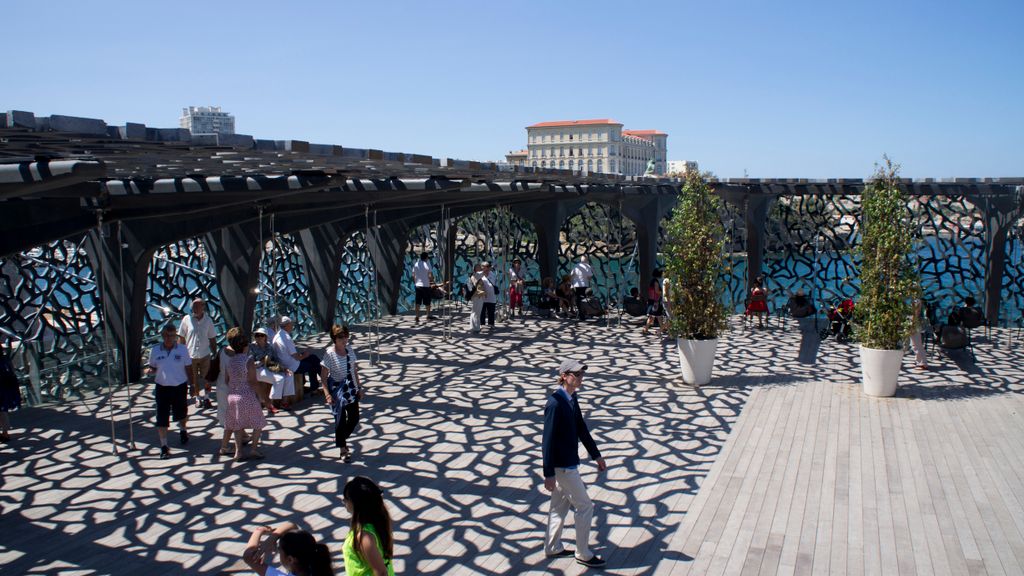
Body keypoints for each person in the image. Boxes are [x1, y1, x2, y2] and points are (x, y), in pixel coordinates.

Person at [542, 358, 608, 568]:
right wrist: (548, 473)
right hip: (563, 466)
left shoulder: (571, 398)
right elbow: (547, 440)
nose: (581, 378)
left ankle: (552, 547)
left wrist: (595, 454)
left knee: (558, 507)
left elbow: (581, 427)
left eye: (582, 374)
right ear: (564, 376)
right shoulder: (555, 403)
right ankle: (583, 553)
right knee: (585, 506)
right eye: (577, 374)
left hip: (569, 461)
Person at [145, 322, 193, 459]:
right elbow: (152, 367)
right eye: (166, 335)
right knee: (161, 417)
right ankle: (164, 446)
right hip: (162, 387)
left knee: (181, 413)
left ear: (175, 336)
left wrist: (193, 385)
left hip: (179, 386)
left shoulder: (182, 349)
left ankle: (183, 430)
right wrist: (149, 371)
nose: (169, 338)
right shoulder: (155, 350)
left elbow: (189, 368)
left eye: (172, 335)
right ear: (162, 335)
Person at [320, 325, 364, 462]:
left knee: (354, 418)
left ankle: (340, 438)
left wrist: (359, 387)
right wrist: (327, 394)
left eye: (345, 336)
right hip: (338, 391)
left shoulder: (349, 349)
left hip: (351, 389)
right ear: (334, 338)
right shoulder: (329, 354)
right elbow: (323, 377)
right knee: (340, 420)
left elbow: (354, 370)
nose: (344, 339)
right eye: (340, 337)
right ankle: (343, 449)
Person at [223, 327, 267, 462]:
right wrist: (263, 397)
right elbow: (253, 381)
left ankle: (238, 452)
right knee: (258, 423)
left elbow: (226, 380)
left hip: (232, 397)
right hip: (247, 396)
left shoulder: (230, 361)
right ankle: (253, 449)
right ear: (245, 345)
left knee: (237, 425)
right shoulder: (248, 361)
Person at [342, 476, 395, 576]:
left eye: (345, 499)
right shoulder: (377, 523)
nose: (344, 502)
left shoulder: (363, 537)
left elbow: (381, 572)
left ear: (355, 503)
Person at [242, 521, 334, 576]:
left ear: (290, 559)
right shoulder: (319, 570)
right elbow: (291, 526)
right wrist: (272, 539)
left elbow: (248, 556)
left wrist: (259, 531)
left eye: (279, 550)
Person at [178, 298, 217, 409]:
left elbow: (212, 337)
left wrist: (215, 352)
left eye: (197, 306)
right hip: (190, 355)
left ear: (203, 307)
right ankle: (198, 399)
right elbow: (181, 336)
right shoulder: (186, 319)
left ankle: (206, 397)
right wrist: (181, 352)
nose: (194, 309)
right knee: (194, 378)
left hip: (205, 353)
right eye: (193, 306)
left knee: (205, 378)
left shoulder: (208, 320)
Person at [274, 317, 321, 395]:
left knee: (312, 358)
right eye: (291, 324)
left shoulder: (277, 335)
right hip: (292, 366)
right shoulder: (286, 337)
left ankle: (315, 386)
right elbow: (297, 357)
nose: (292, 326)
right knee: (313, 362)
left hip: (283, 363)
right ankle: (318, 386)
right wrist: (305, 354)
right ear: (287, 325)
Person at [251, 327, 293, 414]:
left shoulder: (269, 346)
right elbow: (250, 363)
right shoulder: (252, 347)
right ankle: (270, 404)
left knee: (289, 375)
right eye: (257, 335)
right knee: (279, 379)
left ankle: (284, 401)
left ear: (265, 337)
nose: (259, 337)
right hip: (258, 369)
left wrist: (284, 368)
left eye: (261, 335)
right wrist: (261, 361)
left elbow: (275, 359)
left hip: (269, 367)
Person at [0, 342, 23, 443]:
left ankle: (5, 434)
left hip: (2, 387)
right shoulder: (4, 359)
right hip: (4, 387)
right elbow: (12, 371)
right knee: (3, 411)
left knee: (2, 411)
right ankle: (5, 433)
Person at [412, 252, 435, 324]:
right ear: (426, 258)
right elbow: (431, 276)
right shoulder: (427, 264)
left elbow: (413, 275)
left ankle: (417, 316)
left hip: (418, 285)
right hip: (426, 285)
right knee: (427, 302)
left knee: (418, 302)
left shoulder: (416, 264)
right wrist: (431, 280)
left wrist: (415, 282)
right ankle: (428, 315)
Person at [570, 256, 594, 321]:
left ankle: (581, 315)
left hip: (576, 286)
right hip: (584, 286)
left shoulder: (576, 265)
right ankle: (585, 314)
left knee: (578, 300)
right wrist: (592, 271)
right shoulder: (587, 266)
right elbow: (590, 277)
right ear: (586, 260)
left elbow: (571, 275)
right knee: (585, 300)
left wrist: (572, 283)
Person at [642, 270, 664, 337]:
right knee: (657, 316)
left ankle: (661, 328)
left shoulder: (652, 281)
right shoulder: (656, 282)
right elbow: (657, 291)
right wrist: (663, 292)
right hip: (656, 301)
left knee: (656, 316)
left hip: (651, 300)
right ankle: (646, 329)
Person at [909, 297, 928, 370]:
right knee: (915, 344)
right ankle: (921, 362)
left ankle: (922, 363)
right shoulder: (916, 300)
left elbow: (915, 313)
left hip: (913, 324)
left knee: (916, 344)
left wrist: (912, 323)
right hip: (914, 323)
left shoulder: (915, 300)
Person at [467, 263, 485, 334]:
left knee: (474, 311)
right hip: (477, 296)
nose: (480, 268)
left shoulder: (474, 276)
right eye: (479, 267)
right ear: (475, 269)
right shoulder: (477, 275)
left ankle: (473, 326)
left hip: (475, 296)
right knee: (477, 312)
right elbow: (484, 271)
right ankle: (476, 328)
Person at [480, 261, 497, 329]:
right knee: (482, 311)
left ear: (489, 268)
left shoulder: (492, 274)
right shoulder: (479, 275)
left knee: (491, 311)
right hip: (482, 296)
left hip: (491, 296)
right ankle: (482, 323)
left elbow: (493, 283)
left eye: (487, 267)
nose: (485, 268)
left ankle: (491, 323)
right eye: (483, 267)